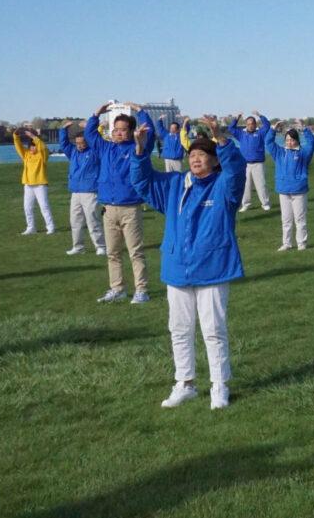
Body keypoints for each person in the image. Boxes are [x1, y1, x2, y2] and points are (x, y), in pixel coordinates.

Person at [131, 116, 244, 410]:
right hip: (177, 268)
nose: (196, 159)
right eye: (192, 155)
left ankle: (219, 386)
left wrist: (221, 140)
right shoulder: (174, 185)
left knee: (213, 329)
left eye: (203, 155)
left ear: (214, 161)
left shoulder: (224, 186)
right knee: (179, 328)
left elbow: (237, 171)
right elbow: (143, 181)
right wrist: (141, 152)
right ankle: (185, 383)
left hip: (213, 267)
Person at [84, 102, 155, 304]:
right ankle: (117, 289)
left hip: (130, 208)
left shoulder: (137, 148)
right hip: (108, 208)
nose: (118, 133)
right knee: (113, 253)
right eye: (115, 130)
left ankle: (141, 290)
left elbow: (148, 132)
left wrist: (139, 110)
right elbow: (90, 134)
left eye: (123, 130)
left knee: (135, 251)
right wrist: (97, 112)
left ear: (131, 132)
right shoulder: (105, 148)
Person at [264, 123, 314, 251]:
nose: (289, 142)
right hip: (283, 190)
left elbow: (312, 143)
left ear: (296, 140)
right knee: (286, 220)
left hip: (299, 190)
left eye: (292, 140)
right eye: (287, 140)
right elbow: (268, 143)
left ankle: (301, 243)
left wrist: (304, 129)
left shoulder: (304, 153)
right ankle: (287, 243)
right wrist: (272, 129)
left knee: (300, 219)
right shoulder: (280, 152)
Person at [59, 121, 106, 256]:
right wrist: (63, 129)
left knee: (92, 220)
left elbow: (98, 140)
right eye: (77, 143)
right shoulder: (72, 152)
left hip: (90, 192)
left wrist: (90, 127)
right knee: (75, 221)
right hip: (75, 192)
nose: (79, 145)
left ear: (87, 142)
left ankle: (101, 246)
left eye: (82, 143)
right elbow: (64, 144)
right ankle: (78, 247)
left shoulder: (94, 152)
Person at [13, 127, 55, 236]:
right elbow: (18, 146)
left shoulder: (42, 156)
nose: (32, 149)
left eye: (34, 146)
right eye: (30, 147)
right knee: (27, 207)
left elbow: (43, 147)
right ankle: (31, 227)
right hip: (28, 185)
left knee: (44, 206)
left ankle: (50, 227)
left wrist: (33, 137)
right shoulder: (26, 155)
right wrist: (16, 135)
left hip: (40, 185)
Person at [228, 113, 272, 212]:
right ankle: (245, 204)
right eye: (248, 124)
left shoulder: (260, 133)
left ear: (255, 124)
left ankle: (265, 203)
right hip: (245, 165)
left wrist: (260, 115)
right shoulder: (241, 134)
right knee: (245, 185)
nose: (250, 125)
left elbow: (267, 125)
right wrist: (237, 118)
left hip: (258, 164)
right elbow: (231, 128)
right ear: (246, 125)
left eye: (252, 123)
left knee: (261, 185)